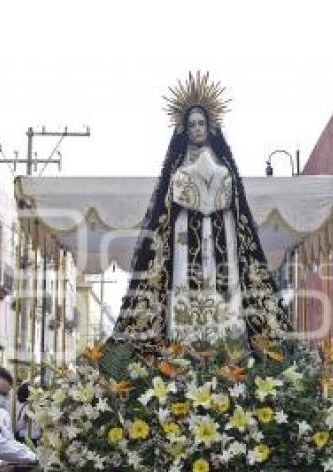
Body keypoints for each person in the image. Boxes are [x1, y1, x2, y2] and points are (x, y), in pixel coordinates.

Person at [109, 71, 293, 351]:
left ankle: (230, 348)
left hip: (223, 234)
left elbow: (236, 205)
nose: (197, 128)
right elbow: (165, 211)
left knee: (225, 286)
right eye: (192, 124)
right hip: (185, 235)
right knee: (185, 286)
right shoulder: (176, 166)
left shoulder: (224, 165)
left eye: (201, 123)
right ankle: (184, 350)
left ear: (209, 127)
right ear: (185, 128)